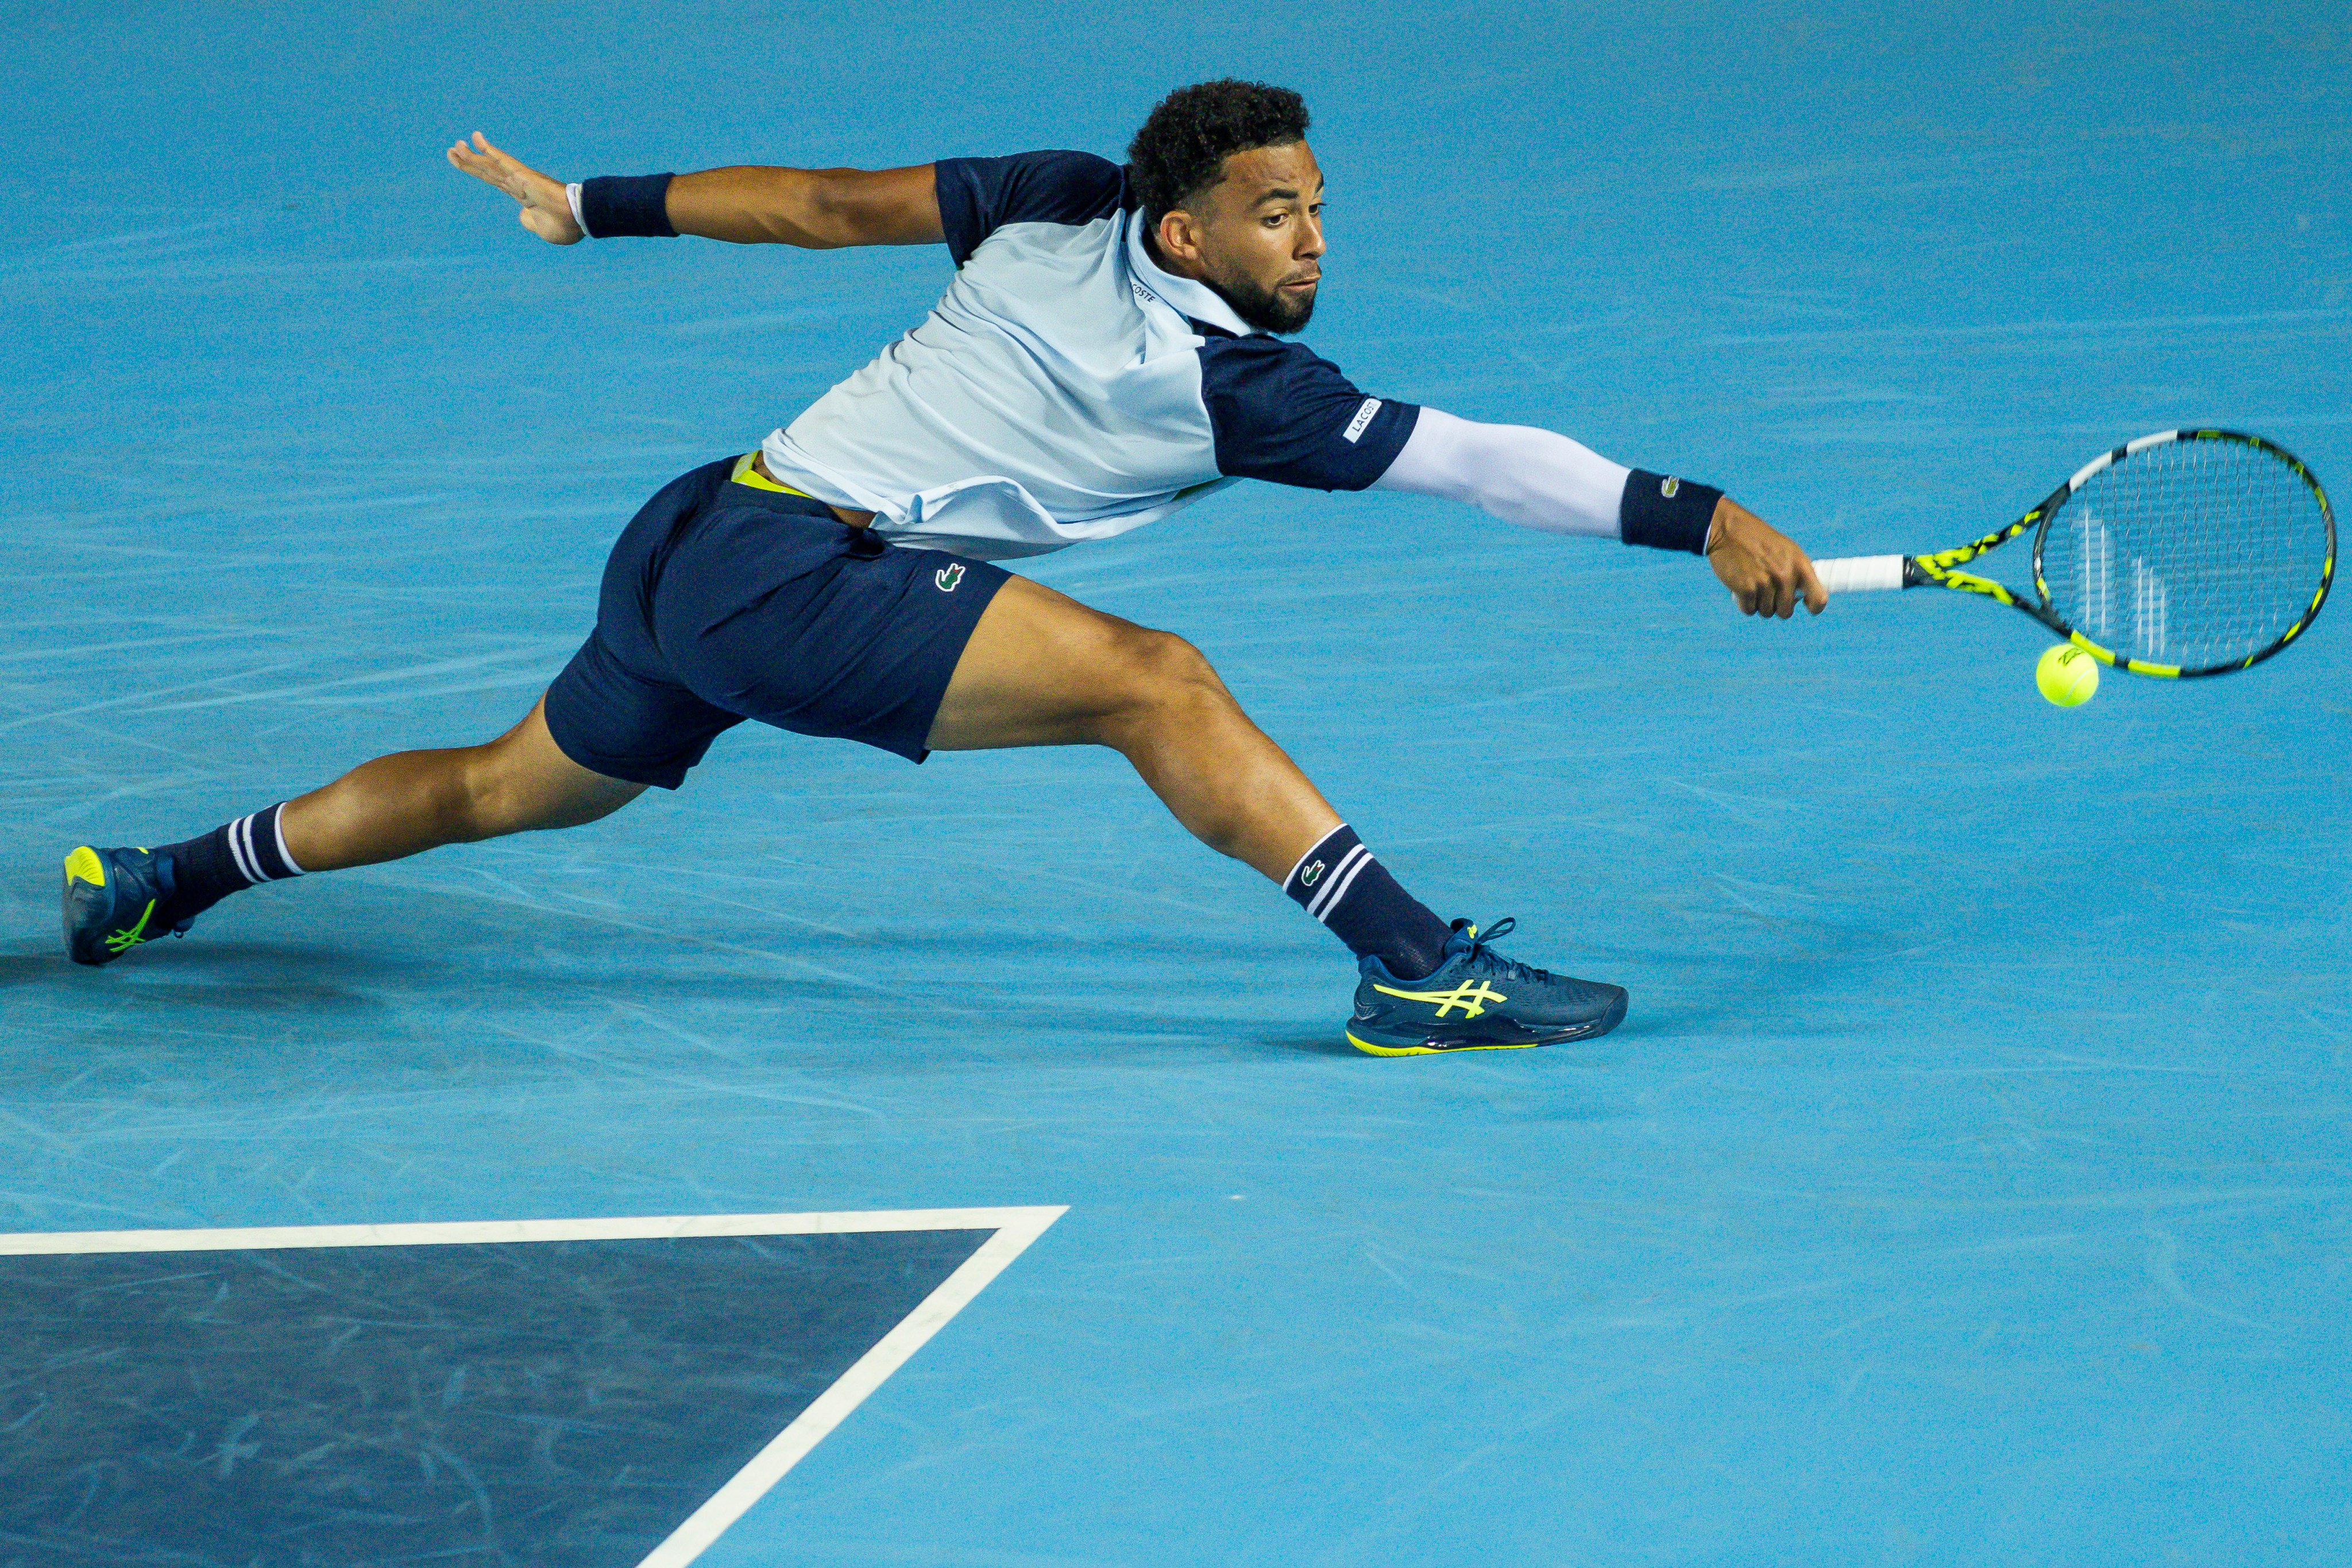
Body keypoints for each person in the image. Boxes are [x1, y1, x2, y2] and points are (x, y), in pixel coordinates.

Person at [61, 80, 1825, 1055]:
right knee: (1160, 682)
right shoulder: (1243, 386)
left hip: (699, 529)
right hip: (795, 571)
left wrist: (594, 204)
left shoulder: (1062, 193)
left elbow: (831, 208)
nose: (1312, 237)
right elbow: (1484, 468)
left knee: (510, 784)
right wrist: (1705, 513)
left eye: (1319, 207)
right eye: (1279, 210)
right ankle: (1413, 965)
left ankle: (165, 875)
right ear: (1192, 222)